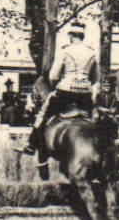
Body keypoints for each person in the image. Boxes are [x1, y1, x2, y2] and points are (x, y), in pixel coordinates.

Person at [28, 20, 100, 162]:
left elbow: (53, 76)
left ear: (71, 36)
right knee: (93, 118)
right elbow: (95, 77)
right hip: (85, 94)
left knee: (44, 113)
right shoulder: (92, 52)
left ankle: (31, 143)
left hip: (66, 91)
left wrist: (55, 86)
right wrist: (86, 84)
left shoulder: (65, 51)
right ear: (82, 36)